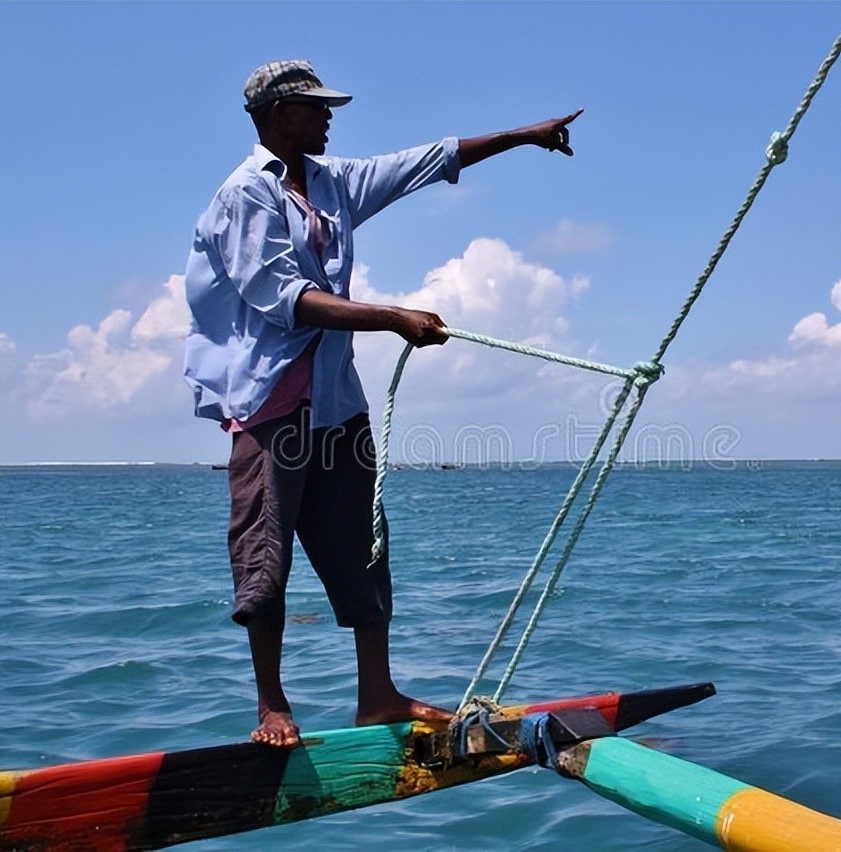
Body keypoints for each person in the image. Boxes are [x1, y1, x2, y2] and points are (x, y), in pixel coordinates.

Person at [183, 59, 580, 747]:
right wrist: (393, 317)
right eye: (317, 107)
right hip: (270, 405)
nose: (331, 116)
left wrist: (526, 136)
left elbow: (426, 161)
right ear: (280, 116)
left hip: (338, 404)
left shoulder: (332, 183)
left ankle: (378, 695)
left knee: (366, 548)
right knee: (264, 553)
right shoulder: (244, 196)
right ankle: (271, 705)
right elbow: (288, 301)